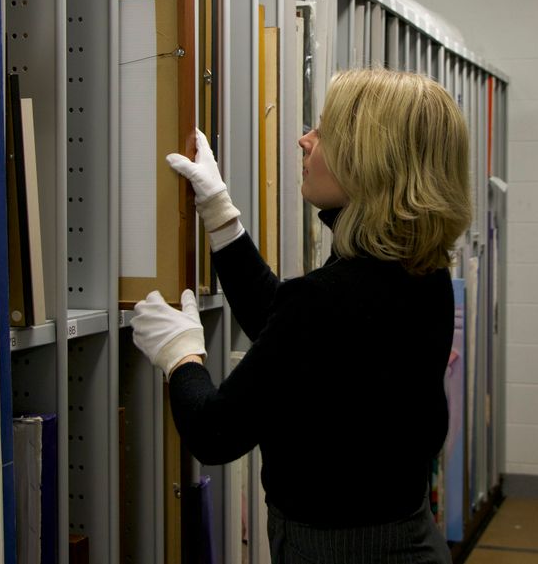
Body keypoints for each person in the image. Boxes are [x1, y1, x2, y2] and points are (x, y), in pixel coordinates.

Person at [131, 68, 471, 563]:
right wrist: (221, 216)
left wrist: (182, 357)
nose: (304, 140)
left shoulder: (331, 296)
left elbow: (216, 433)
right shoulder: (419, 271)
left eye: (325, 133)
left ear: (370, 161)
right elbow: (295, 338)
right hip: (406, 537)